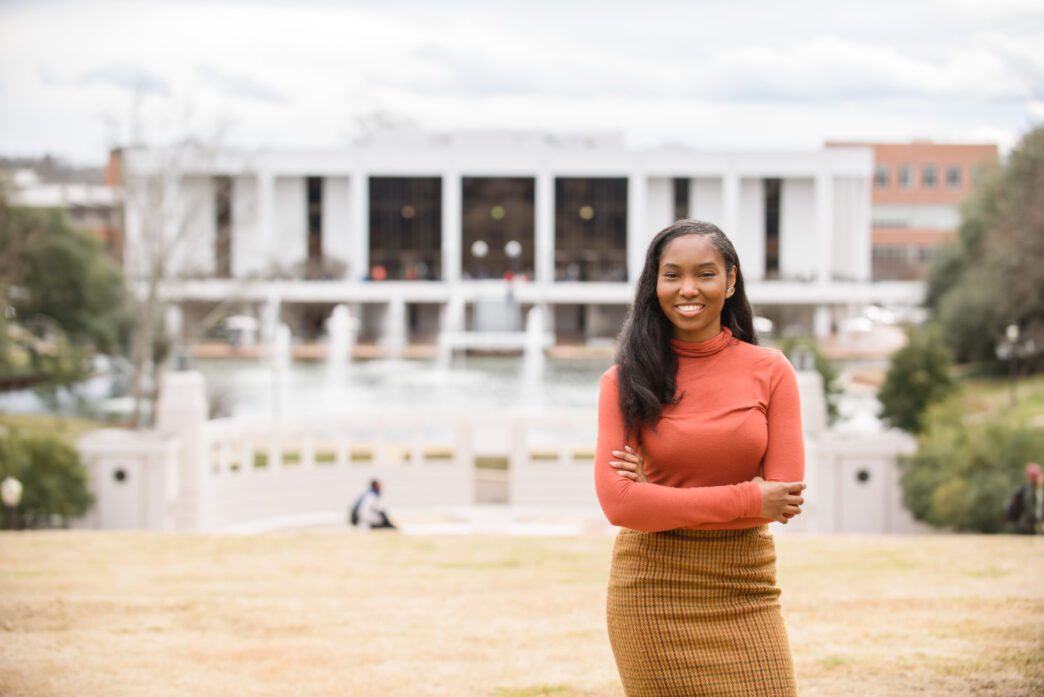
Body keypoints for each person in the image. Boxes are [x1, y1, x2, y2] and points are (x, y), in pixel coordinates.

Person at [594, 219, 806, 697]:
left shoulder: (771, 371)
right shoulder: (623, 381)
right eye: (672, 275)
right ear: (656, 285)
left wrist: (660, 496)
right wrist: (749, 497)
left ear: (731, 281)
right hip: (652, 592)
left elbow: (785, 498)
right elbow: (620, 506)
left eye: (705, 274)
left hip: (746, 587)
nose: (688, 289)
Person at [1007, 463, 1043, 535]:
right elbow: (1031, 511)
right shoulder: (1027, 491)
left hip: (1032, 527)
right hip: (1026, 528)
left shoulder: (1038, 490)